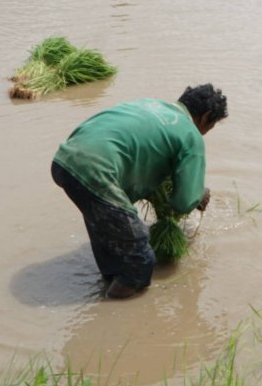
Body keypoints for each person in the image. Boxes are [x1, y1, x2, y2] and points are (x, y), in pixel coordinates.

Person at [51, 84, 228, 299]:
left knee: (106, 235)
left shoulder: (148, 104)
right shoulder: (191, 134)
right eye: (210, 127)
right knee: (140, 261)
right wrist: (200, 194)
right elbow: (183, 201)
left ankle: (108, 283)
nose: (205, 133)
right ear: (206, 117)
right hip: (97, 171)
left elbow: (136, 153)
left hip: (64, 161)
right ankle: (109, 317)